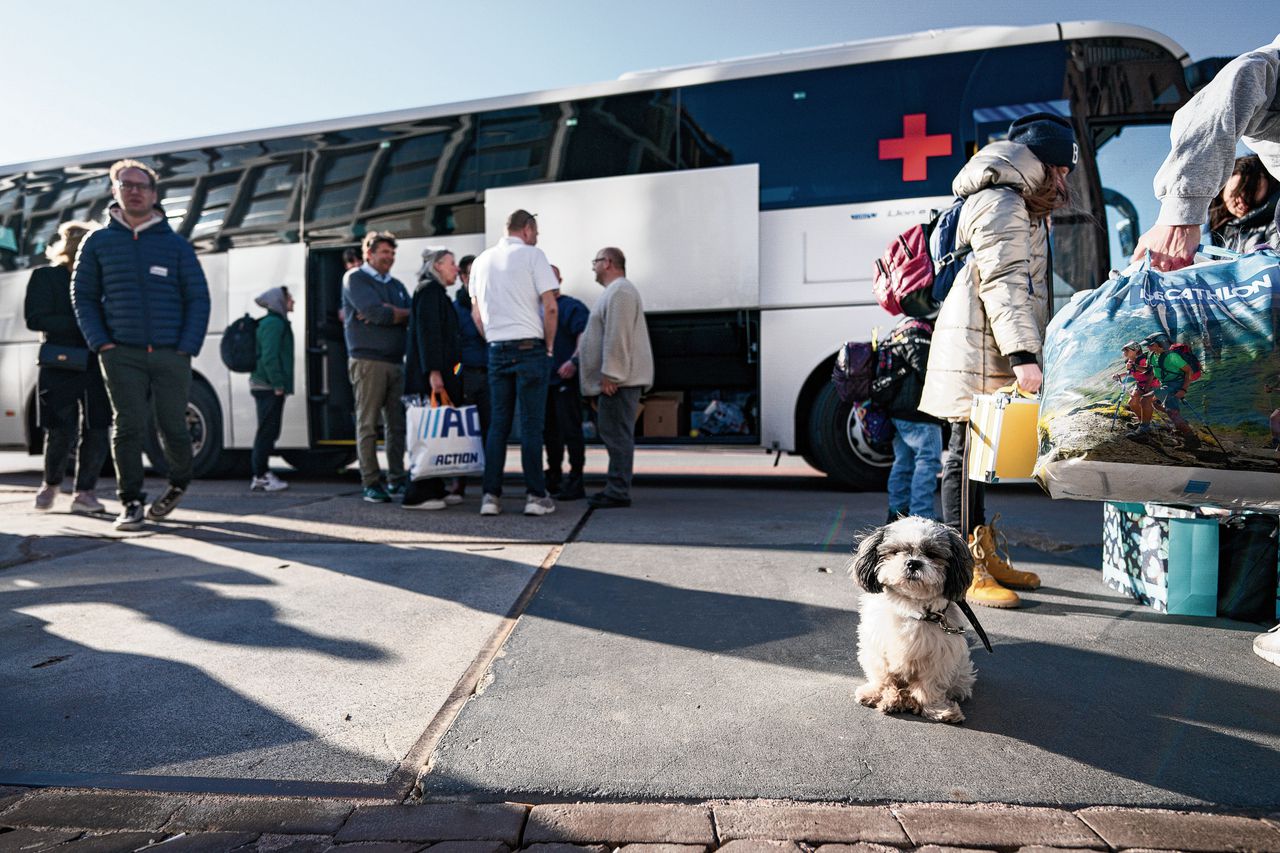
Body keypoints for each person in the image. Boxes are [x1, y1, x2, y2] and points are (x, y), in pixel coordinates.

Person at [918, 112, 1077, 607]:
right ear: (1046, 164)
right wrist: (1024, 355)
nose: (1066, 178)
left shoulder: (1020, 199)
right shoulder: (1001, 199)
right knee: (964, 454)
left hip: (989, 341)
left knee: (980, 458)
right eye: (1064, 167)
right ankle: (961, 569)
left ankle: (981, 551)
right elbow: (1004, 280)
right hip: (978, 345)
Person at [72, 159, 210, 531]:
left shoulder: (176, 245)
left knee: (174, 427)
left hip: (170, 352)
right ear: (115, 191)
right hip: (121, 353)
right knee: (128, 426)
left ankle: (178, 483)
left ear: (154, 193)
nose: (134, 191)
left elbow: (198, 297)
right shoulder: (97, 242)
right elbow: (82, 296)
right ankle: (130, 501)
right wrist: (102, 343)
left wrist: (186, 346)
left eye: (142, 185)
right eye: (126, 184)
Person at [1132, 35, 1280, 272]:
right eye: (1234, 195)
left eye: (1249, 193)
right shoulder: (1223, 233)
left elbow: (1244, 73)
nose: (1241, 202)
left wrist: (1179, 216)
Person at [469, 210, 560, 517]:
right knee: (532, 425)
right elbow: (550, 307)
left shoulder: (481, 261)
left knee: (498, 425)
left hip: (496, 349)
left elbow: (476, 315)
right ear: (527, 228)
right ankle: (535, 496)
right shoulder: (534, 256)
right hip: (529, 348)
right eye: (536, 232)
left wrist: (493, 338)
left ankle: (490, 497)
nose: (537, 237)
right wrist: (548, 347)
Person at [24, 220, 110, 513]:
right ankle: (52, 484)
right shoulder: (46, 277)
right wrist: (84, 323)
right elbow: (35, 318)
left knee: (97, 427)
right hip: (60, 361)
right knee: (61, 428)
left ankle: (84, 493)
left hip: (97, 360)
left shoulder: (102, 279)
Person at [578, 247, 653, 509]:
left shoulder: (620, 291)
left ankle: (618, 491)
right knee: (615, 434)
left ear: (608, 263)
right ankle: (615, 487)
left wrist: (611, 374)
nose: (592, 267)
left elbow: (617, 335)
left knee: (618, 436)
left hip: (619, 382)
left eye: (595, 261)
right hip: (619, 380)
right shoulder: (616, 292)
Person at [342, 231, 411, 503]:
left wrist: (392, 313)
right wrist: (390, 313)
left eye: (392, 253)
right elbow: (375, 313)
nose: (389, 257)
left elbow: (408, 312)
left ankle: (396, 479)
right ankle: (371, 483)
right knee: (368, 424)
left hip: (396, 361)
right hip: (367, 362)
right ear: (369, 253)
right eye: (384, 252)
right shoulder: (355, 278)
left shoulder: (397, 285)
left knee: (397, 426)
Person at [402, 248, 463, 510]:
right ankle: (418, 493)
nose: (456, 269)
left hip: (434, 376)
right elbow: (429, 335)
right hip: (429, 379)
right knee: (427, 435)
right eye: (452, 264)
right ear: (437, 265)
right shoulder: (429, 291)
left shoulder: (434, 292)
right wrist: (435, 373)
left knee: (435, 433)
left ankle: (434, 488)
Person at [874, 317, 941, 523]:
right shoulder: (920, 332)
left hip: (898, 411)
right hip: (918, 411)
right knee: (928, 461)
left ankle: (897, 512)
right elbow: (929, 372)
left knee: (903, 462)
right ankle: (921, 515)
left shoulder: (902, 327)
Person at [544, 264, 590, 501]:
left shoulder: (572, 307)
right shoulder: (537, 309)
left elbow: (584, 336)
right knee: (550, 434)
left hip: (565, 380)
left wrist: (573, 361)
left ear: (560, 279)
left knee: (570, 430)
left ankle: (576, 480)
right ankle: (553, 477)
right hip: (544, 382)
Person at [447, 254, 487, 502]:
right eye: (472, 275)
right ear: (462, 277)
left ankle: (490, 484)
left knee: (491, 429)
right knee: (463, 432)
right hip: (467, 375)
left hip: (491, 372)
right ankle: (458, 483)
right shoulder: (456, 307)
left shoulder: (491, 299)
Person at [249, 286, 294, 492]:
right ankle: (260, 476)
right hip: (267, 386)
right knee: (266, 431)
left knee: (269, 430)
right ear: (279, 301)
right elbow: (269, 357)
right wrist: (277, 384)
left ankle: (262, 474)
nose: (293, 301)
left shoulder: (275, 323)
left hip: (267, 385)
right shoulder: (274, 324)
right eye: (289, 298)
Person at [1142, 333, 1202, 451]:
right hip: (1165, 385)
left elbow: (1188, 371)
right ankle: (1184, 427)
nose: (1148, 347)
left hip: (1175, 385)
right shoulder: (1153, 355)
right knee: (1158, 404)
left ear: (1161, 344)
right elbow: (1153, 370)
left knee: (1145, 399)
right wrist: (1148, 385)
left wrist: (1183, 389)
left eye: (1151, 345)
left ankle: (1143, 430)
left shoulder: (1172, 356)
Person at [1208, 155, 1280, 252]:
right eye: (1237, 192)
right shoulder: (1213, 228)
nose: (1242, 202)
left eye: (1252, 194)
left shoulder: (1274, 224)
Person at [1111, 340, 1158, 439]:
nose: (1124, 353)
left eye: (1126, 350)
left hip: (1152, 384)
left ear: (1135, 350)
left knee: (1143, 402)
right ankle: (1142, 423)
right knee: (1132, 402)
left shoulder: (1143, 359)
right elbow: (1132, 372)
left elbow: (1149, 372)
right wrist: (1120, 375)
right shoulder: (1131, 360)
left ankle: (1145, 427)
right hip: (1140, 385)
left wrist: (1134, 367)